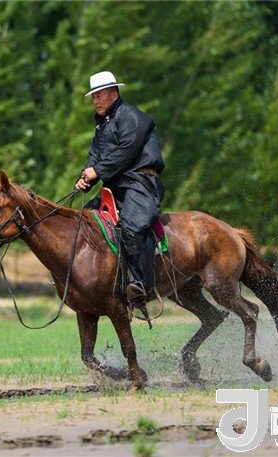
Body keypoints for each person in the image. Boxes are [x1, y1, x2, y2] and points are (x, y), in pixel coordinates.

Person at [75, 71, 165, 308]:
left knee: (131, 229)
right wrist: (84, 178)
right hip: (115, 186)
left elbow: (126, 151)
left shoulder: (132, 116)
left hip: (141, 183)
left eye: (99, 95)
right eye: (93, 96)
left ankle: (139, 285)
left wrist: (97, 171)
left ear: (114, 94)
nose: (95, 100)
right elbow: (94, 157)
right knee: (81, 221)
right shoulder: (101, 126)